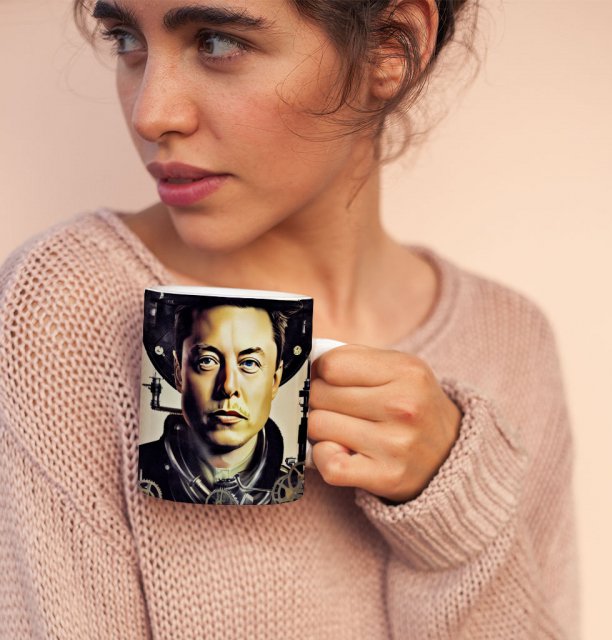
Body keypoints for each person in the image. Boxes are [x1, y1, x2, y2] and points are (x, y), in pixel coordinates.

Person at [0, 1, 580, 638]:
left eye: (217, 42)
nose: (151, 113)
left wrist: (454, 509)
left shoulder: (510, 340)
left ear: (393, 45)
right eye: (125, 38)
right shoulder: (66, 305)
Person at [138, 303, 293, 505]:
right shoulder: (138, 467)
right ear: (179, 373)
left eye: (249, 363)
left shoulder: (291, 484)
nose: (228, 386)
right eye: (207, 361)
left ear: (274, 380)